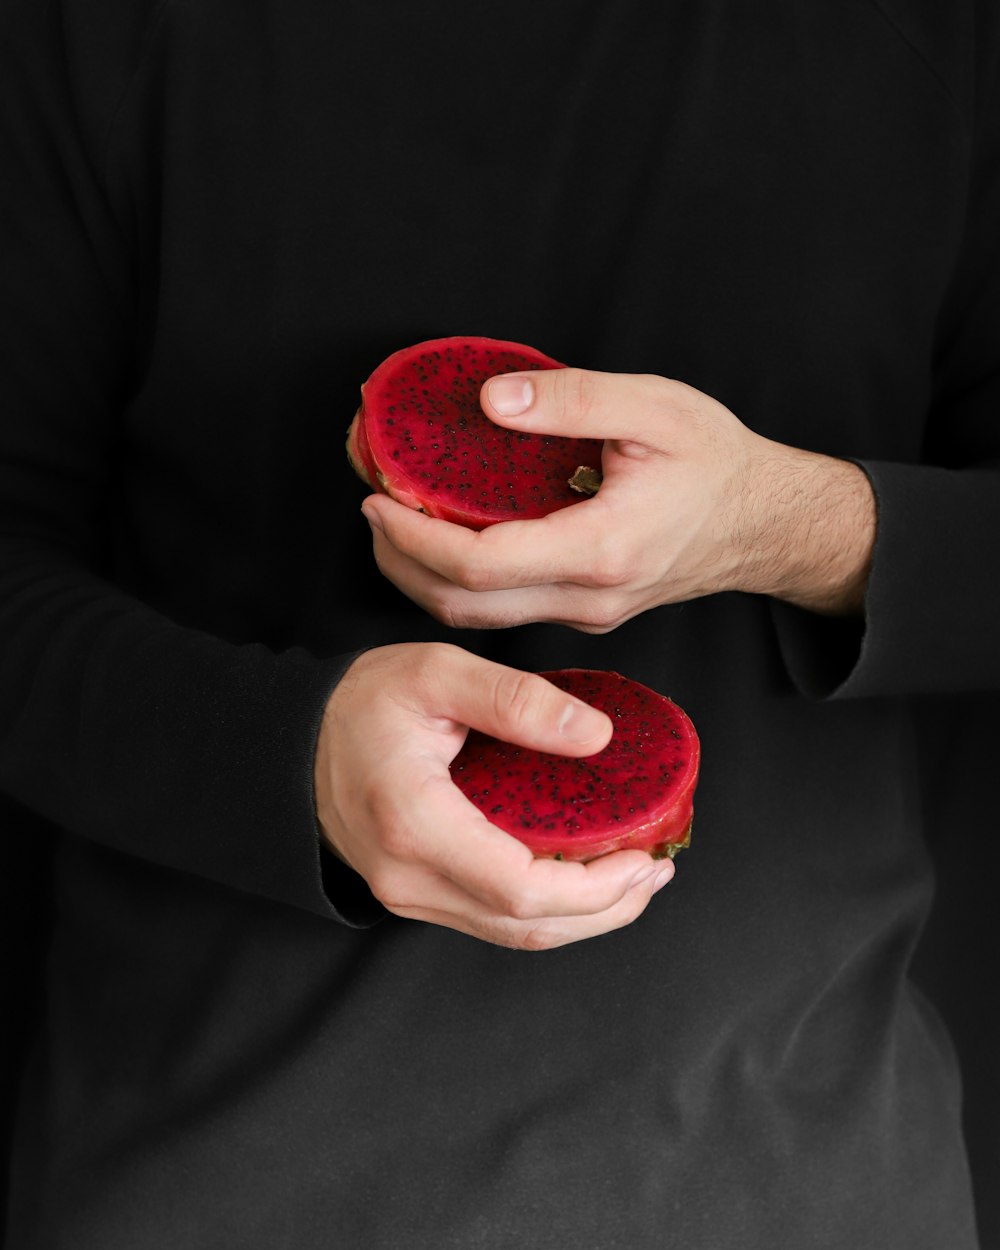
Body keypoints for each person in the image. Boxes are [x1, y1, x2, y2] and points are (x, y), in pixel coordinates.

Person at [1, 0, 996, 1246]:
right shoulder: (91, 40)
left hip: (808, 1171)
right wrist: (285, 757)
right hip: (233, 1173)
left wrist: (783, 523)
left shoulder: (938, 44)